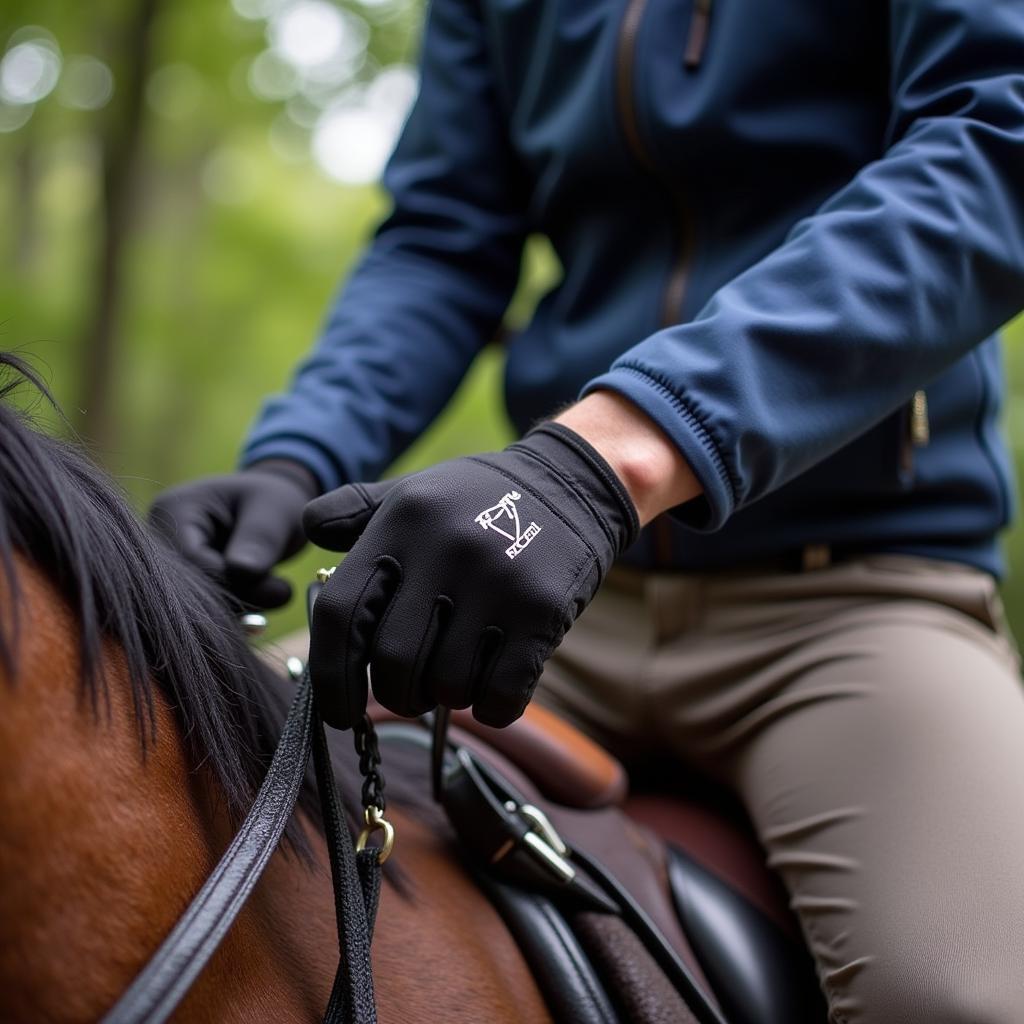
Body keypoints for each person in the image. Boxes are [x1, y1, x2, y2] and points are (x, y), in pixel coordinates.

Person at [151, 2, 1024, 1020]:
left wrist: (608, 457)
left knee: (962, 996)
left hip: (852, 602)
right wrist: (298, 457)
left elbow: (994, 141)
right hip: (543, 597)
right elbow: (444, 236)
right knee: (176, 800)